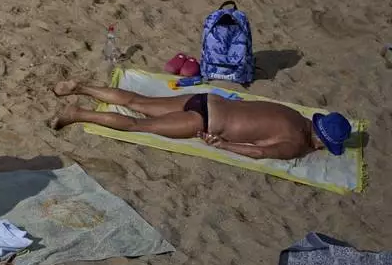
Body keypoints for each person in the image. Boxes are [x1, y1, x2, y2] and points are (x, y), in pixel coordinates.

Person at [49, 80, 352, 160]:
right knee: (138, 125)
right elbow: (259, 152)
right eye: (325, 146)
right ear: (320, 141)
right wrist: (223, 145)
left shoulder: (295, 115)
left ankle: (81, 87)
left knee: (136, 102)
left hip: (209, 100)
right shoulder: (296, 144)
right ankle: (79, 114)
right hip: (206, 122)